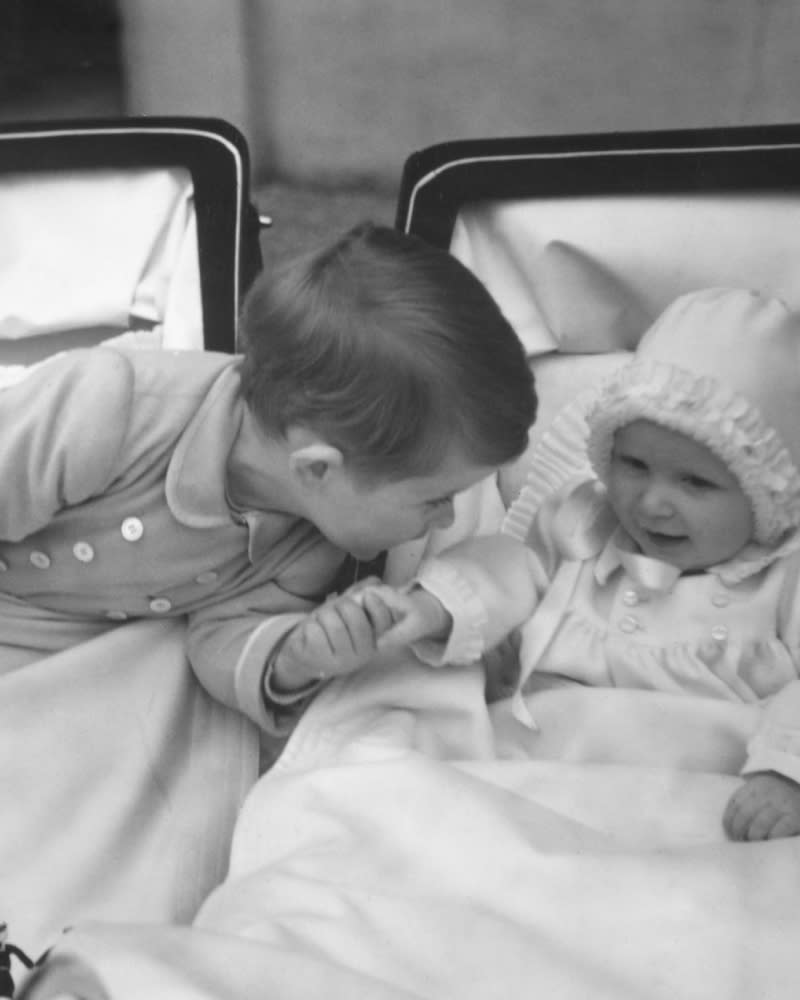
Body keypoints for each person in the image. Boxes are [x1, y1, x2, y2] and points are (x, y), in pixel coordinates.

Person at [0, 221, 536, 735]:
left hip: (71, 650)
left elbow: (222, 638)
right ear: (318, 468)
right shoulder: (106, 407)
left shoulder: (309, 544)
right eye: (436, 498)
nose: (447, 518)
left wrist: (297, 656)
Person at [330, 287, 800, 841]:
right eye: (634, 464)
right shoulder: (583, 524)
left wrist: (785, 772)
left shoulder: (782, 580)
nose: (651, 502)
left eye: (695, 483)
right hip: (544, 766)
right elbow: (508, 569)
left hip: (700, 787)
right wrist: (434, 609)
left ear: (768, 489)